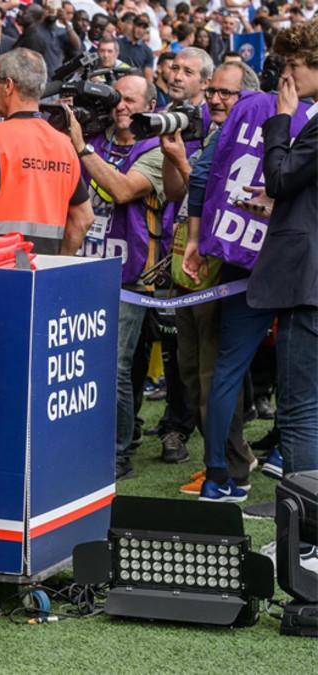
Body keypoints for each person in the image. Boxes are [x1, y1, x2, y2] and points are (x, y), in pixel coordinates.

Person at [186, 20, 318, 500]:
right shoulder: (294, 112)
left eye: (295, 64)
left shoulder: (268, 112)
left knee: (254, 382)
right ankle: (238, 471)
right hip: (278, 264)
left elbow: (219, 174)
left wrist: (199, 238)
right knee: (291, 390)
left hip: (272, 262)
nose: (288, 73)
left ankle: (228, 479)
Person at [162, 60, 260, 493]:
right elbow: (177, 193)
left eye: (228, 93)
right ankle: (219, 458)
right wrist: (175, 160)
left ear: (249, 99)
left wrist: (185, 162)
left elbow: (213, 189)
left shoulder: (245, 136)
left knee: (213, 375)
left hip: (221, 265)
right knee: (190, 370)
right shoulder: (210, 130)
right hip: (189, 263)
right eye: (214, 91)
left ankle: (229, 465)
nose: (217, 99)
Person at [68, 73, 166, 480]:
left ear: (149, 107)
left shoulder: (156, 147)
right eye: (116, 100)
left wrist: (81, 147)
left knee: (116, 365)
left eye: (130, 100)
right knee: (83, 360)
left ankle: (117, 453)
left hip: (131, 275)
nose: (121, 107)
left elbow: (123, 190)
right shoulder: (100, 137)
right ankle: (85, 439)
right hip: (87, 265)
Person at [0, 48, 92, 255]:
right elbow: (84, 218)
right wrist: (57, 263)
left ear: (8, 85)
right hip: (44, 274)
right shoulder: (64, 144)